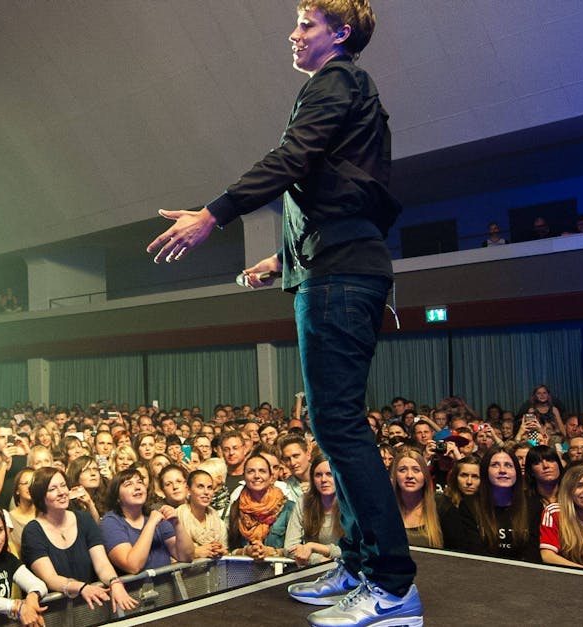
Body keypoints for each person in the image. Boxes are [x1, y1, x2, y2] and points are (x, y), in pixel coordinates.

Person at [147, 0, 415, 619]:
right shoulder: (346, 90)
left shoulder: (337, 80)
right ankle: (357, 563)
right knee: (331, 424)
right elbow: (335, 191)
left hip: (343, 273)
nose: (292, 35)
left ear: (340, 33)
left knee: (339, 425)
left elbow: (291, 161)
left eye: (306, 25)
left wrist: (213, 214)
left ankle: (393, 585)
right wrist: (285, 262)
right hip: (330, 265)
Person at [21, 468, 135, 613]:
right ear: (40, 496)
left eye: (63, 486)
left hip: (93, 606)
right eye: (53, 489)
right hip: (57, 613)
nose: (62, 492)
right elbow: (50, 578)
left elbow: (102, 564)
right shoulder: (33, 531)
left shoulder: (84, 519)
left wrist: (115, 582)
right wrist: (81, 587)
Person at [99, 467, 190, 574]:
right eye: (128, 484)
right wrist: (151, 524)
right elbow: (133, 566)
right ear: (117, 497)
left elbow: (186, 556)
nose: (137, 487)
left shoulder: (155, 514)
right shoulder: (110, 522)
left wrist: (177, 524)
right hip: (134, 590)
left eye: (140, 482)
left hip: (166, 588)